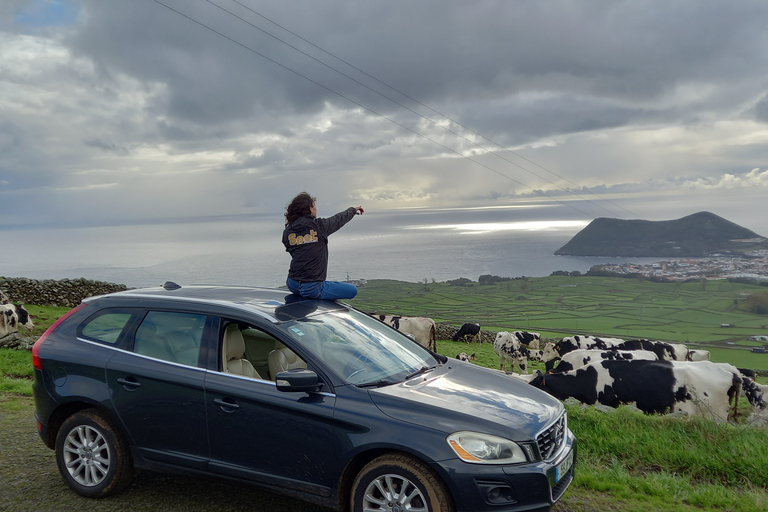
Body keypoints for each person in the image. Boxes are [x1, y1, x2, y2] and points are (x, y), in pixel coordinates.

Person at [282, 192, 364, 300]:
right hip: (312, 287)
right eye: (314, 206)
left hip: (292, 283)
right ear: (310, 209)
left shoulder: (288, 232)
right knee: (352, 290)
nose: (316, 209)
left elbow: (294, 250)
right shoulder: (319, 226)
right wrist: (353, 210)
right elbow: (338, 219)